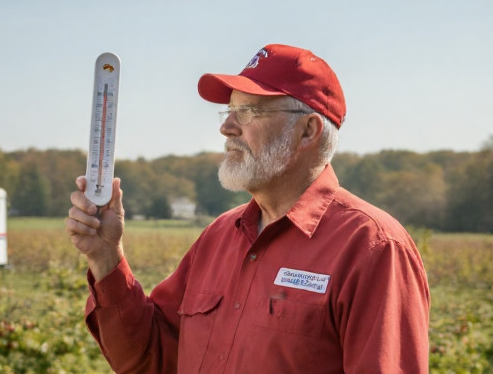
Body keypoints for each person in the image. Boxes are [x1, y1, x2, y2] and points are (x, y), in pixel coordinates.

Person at [65, 44, 430, 373]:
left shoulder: (373, 248)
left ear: (308, 131)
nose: (227, 126)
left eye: (248, 111)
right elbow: (150, 358)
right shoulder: (219, 236)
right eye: (229, 110)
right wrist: (105, 257)